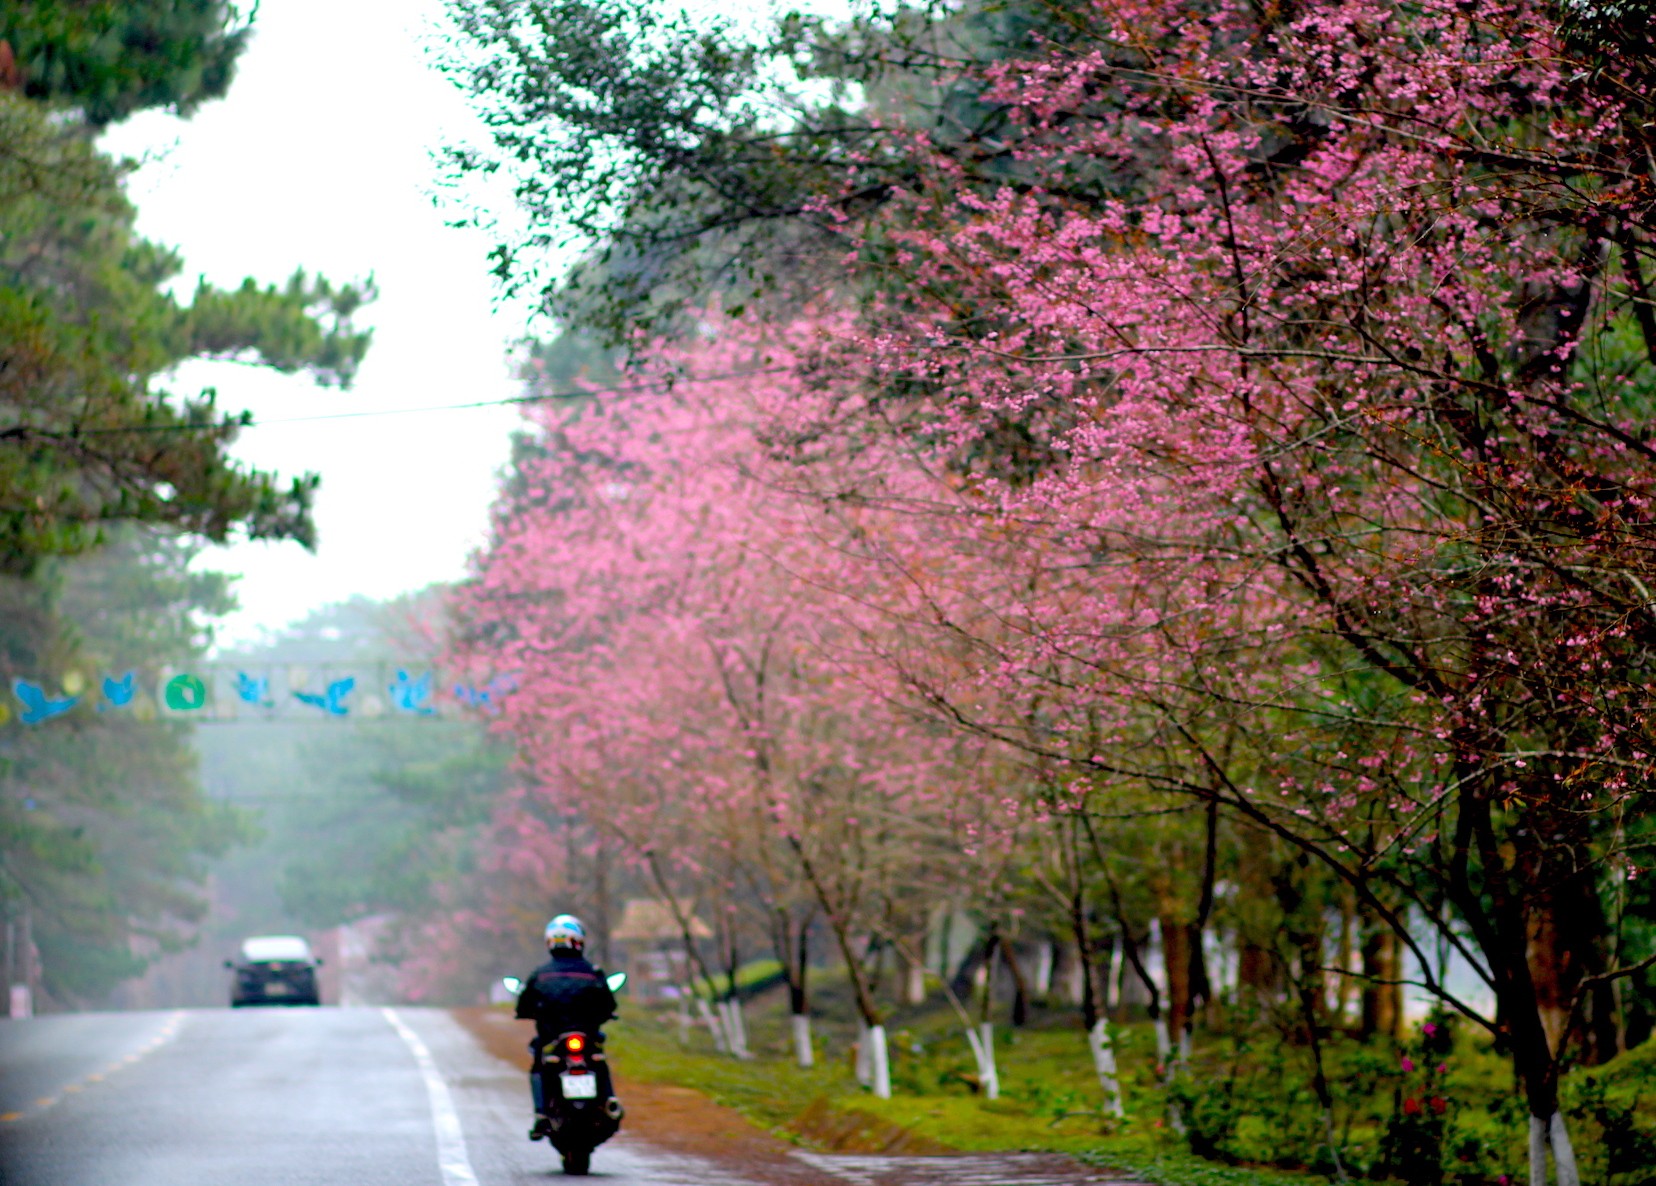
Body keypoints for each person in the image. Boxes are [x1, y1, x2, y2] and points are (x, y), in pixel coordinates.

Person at [515, 914, 617, 1140]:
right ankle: (610, 1101)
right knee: (599, 1059)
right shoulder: (593, 972)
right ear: (580, 941)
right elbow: (609, 1004)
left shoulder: (539, 975)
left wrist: (526, 1012)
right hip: (587, 1036)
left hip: (552, 1038)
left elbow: (523, 1006)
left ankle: (541, 1113)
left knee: (539, 1066)